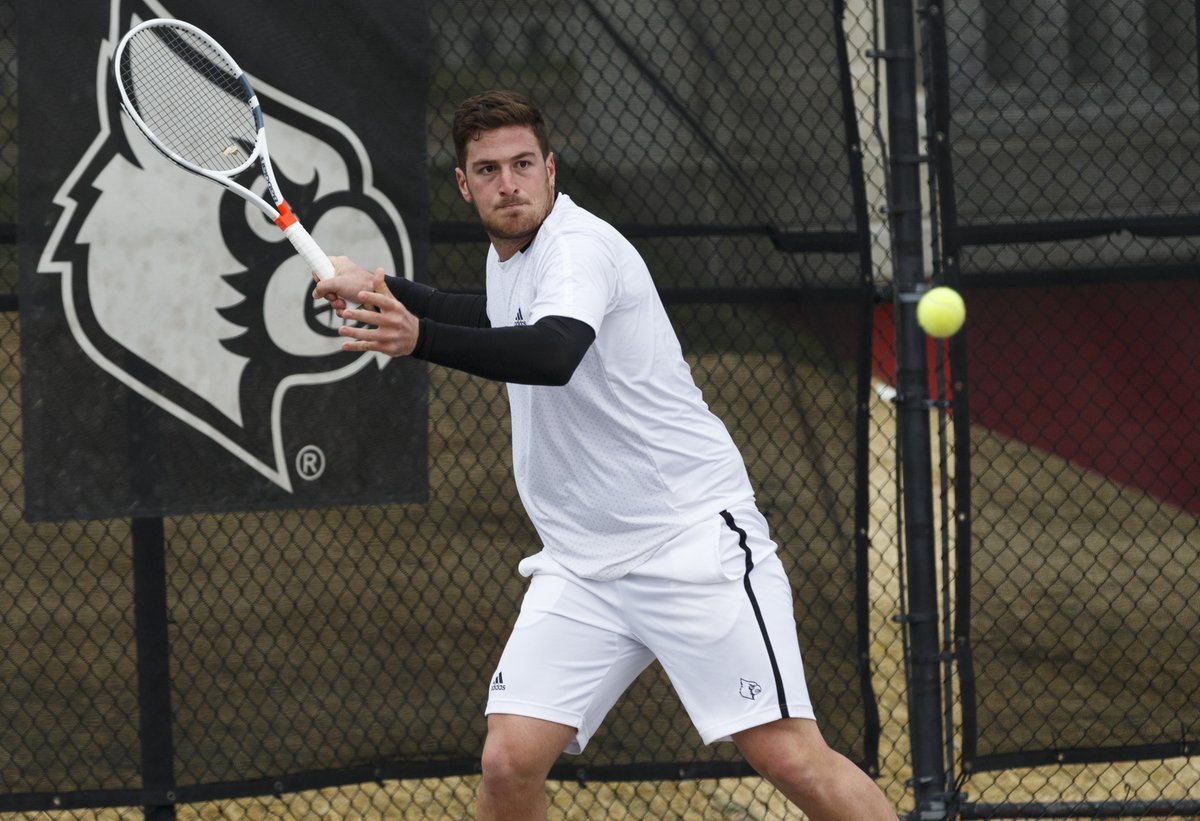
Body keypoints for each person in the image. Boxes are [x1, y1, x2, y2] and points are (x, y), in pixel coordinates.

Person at [313, 90, 896, 821]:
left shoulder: (580, 247)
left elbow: (552, 349)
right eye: (489, 170)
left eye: (523, 164)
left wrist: (417, 336)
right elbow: (491, 313)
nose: (509, 184)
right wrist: (379, 285)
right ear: (464, 185)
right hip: (583, 563)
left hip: (689, 542)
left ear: (550, 168)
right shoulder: (512, 255)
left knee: (788, 755)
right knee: (508, 759)